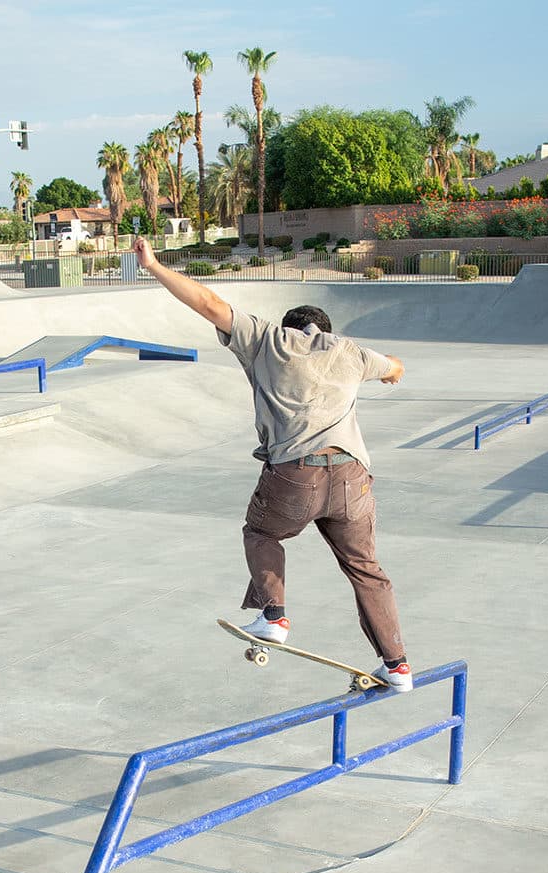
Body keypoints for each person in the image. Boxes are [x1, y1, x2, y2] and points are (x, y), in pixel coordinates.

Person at [131, 236, 414, 690]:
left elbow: (207, 301)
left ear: (289, 327)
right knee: (366, 569)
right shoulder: (351, 351)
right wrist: (392, 371)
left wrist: (154, 266)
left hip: (295, 474)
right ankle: (397, 664)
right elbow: (396, 366)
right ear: (324, 330)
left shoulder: (265, 339)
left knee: (261, 532)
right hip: (352, 478)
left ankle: (274, 615)